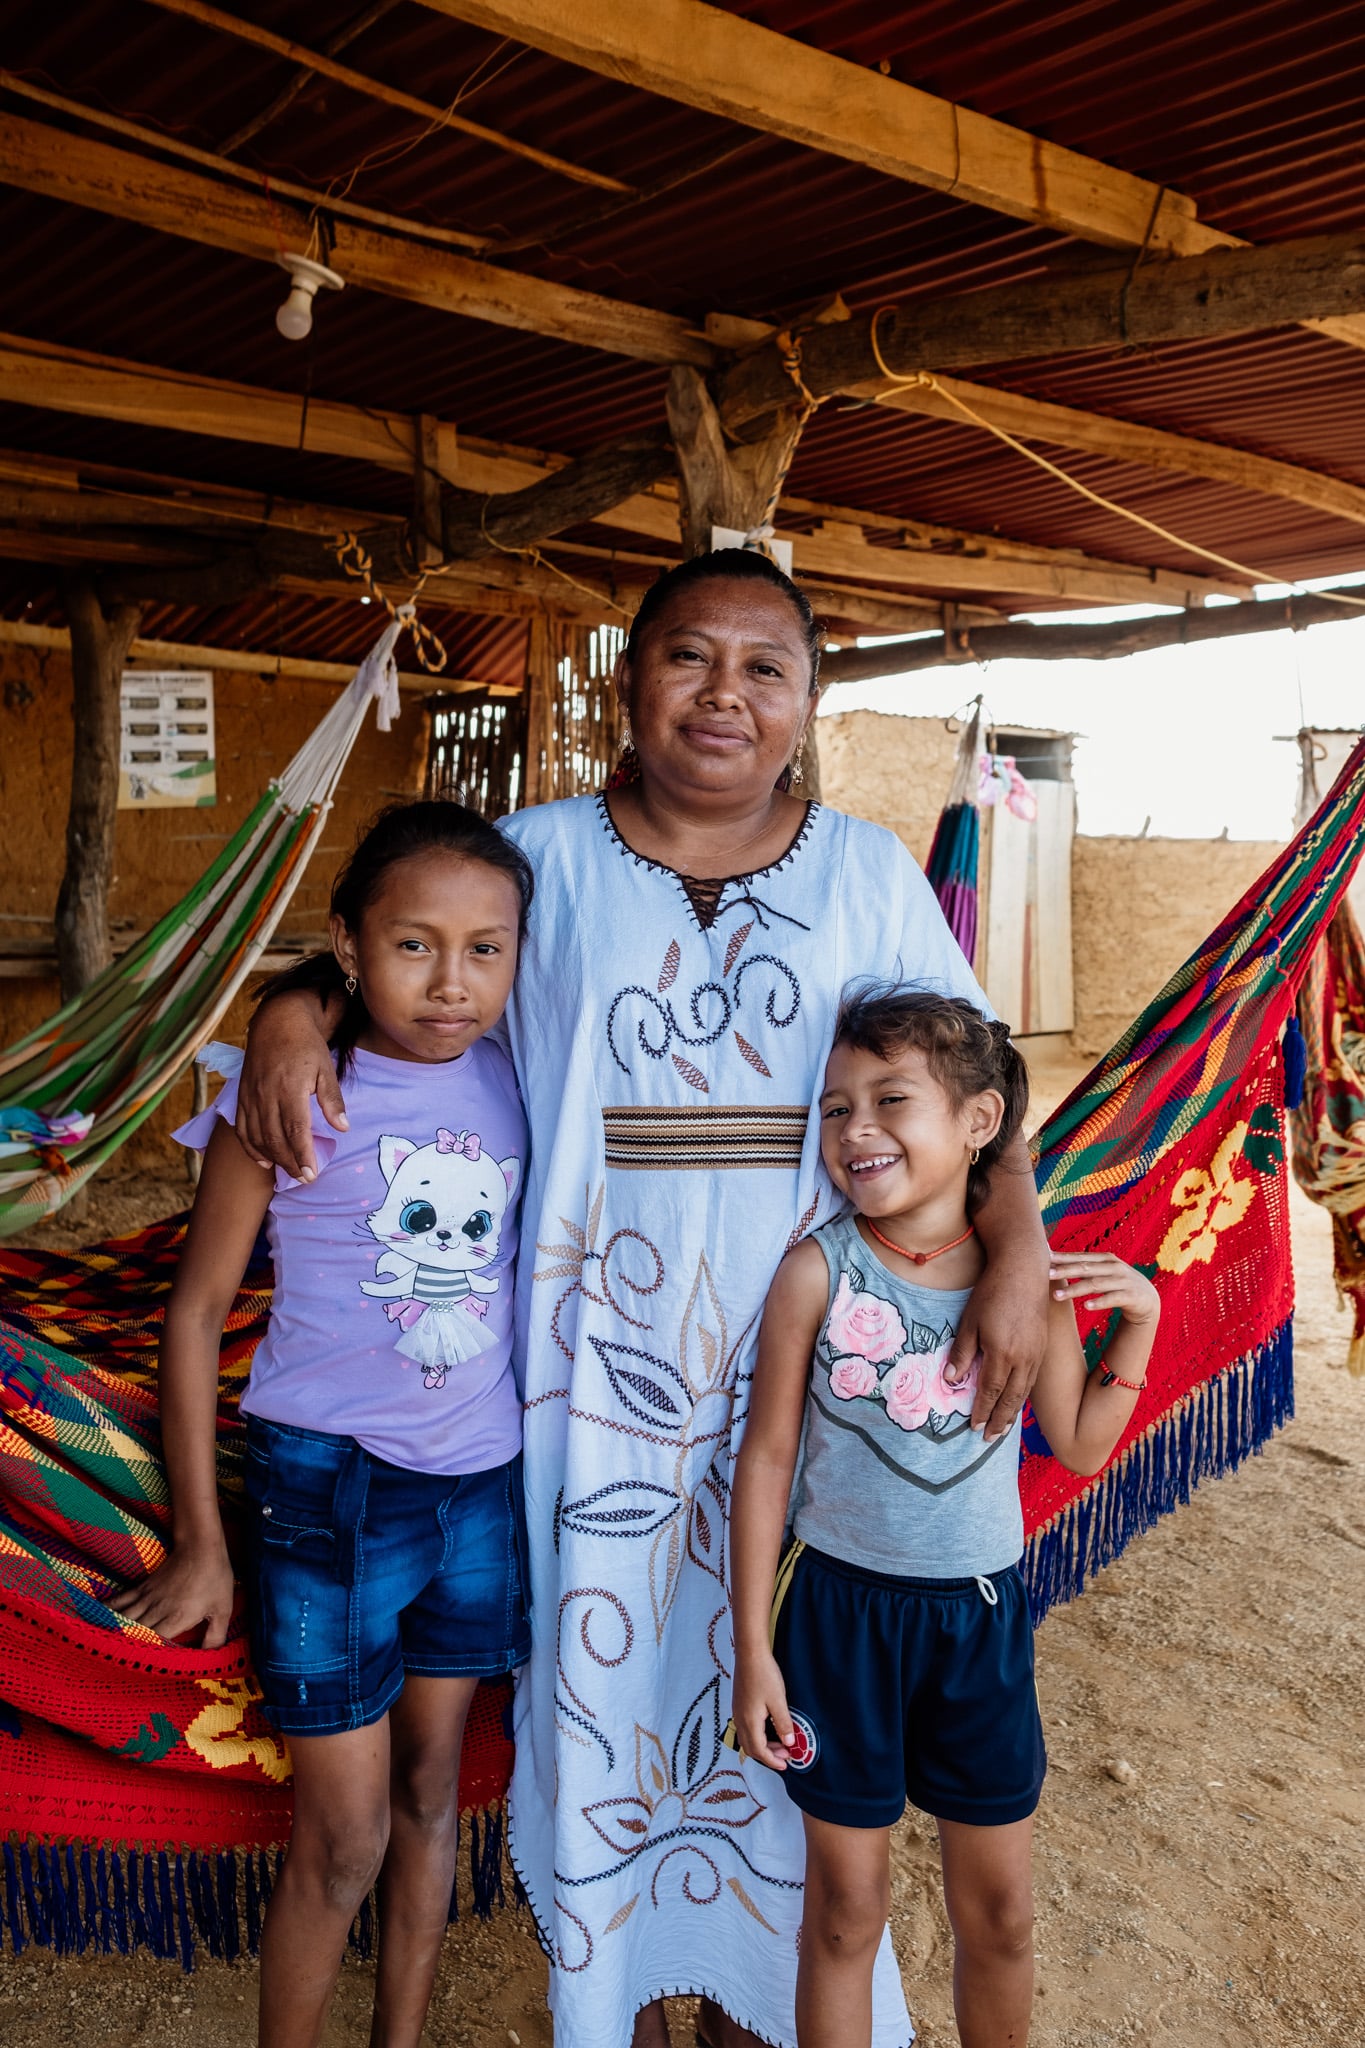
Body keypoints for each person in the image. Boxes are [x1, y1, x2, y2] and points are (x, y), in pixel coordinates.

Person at [234, 550, 1053, 2048]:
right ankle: (617, 1999)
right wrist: (294, 1009)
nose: (723, 694)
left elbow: (987, 1080)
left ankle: (757, 2012)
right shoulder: (536, 854)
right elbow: (407, 954)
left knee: (782, 1702)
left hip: (812, 1397)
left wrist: (1018, 1257)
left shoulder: (868, 872)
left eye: (765, 667)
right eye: (688, 658)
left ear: (810, 702)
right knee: (616, 1695)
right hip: (584, 1392)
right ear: (628, 682)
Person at [110, 801, 536, 2048]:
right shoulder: (292, 1088)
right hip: (326, 1490)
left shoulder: (524, 1076)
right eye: (414, 945)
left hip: (481, 1489)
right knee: (342, 1832)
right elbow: (195, 1317)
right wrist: (204, 1539)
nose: (452, 981)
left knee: (430, 1795)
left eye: (485, 948)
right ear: (347, 946)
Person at [729, 988, 1160, 2048]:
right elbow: (768, 1459)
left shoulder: (1029, 1293)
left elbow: (1082, 1440)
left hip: (977, 1621)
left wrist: (1140, 1323)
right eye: (835, 1108)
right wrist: (753, 1651)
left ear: (977, 1124)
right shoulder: (815, 1272)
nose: (855, 1129)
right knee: (843, 1912)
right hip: (834, 1619)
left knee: (1001, 1915)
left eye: (890, 1099)